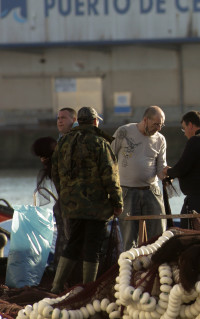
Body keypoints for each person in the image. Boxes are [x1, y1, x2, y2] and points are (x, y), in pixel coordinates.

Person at [50, 107, 123, 294]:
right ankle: (88, 289)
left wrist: (66, 195)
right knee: (92, 246)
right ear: (94, 121)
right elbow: (110, 177)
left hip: (72, 206)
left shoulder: (64, 142)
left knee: (73, 243)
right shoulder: (100, 143)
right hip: (96, 207)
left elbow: (55, 173)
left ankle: (57, 286)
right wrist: (117, 203)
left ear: (78, 121)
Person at [112, 106, 167, 249]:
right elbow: (109, 158)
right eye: (156, 124)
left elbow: (161, 168)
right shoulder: (124, 132)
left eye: (161, 125)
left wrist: (168, 175)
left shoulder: (160, 140)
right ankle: (129, 268)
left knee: (159, 235)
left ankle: (156, 266)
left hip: (151, 190)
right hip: (127, 192)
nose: (159, 128)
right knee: (130, 239)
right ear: (145, 120)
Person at [158, 111, 200, 229]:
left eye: (184, 129)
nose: (184, 134)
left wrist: (167, 171)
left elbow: (182, 168)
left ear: (190, 125)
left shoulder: (196, 140)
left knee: (188, 235)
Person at [31, 136, 66, 270]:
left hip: (60, 207)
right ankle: (60, 269)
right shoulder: (59, 165)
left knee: (62, 239)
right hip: (65, 208)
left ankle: (57, 266)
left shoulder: (51, 167)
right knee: (65, 239)